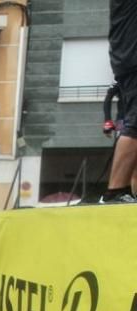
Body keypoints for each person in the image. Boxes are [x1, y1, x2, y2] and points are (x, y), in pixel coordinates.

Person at [101, 0, 137, 203]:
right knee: (136, 126)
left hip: (128, 61)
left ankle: (122, 192)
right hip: (132, 61)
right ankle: (114, 192)